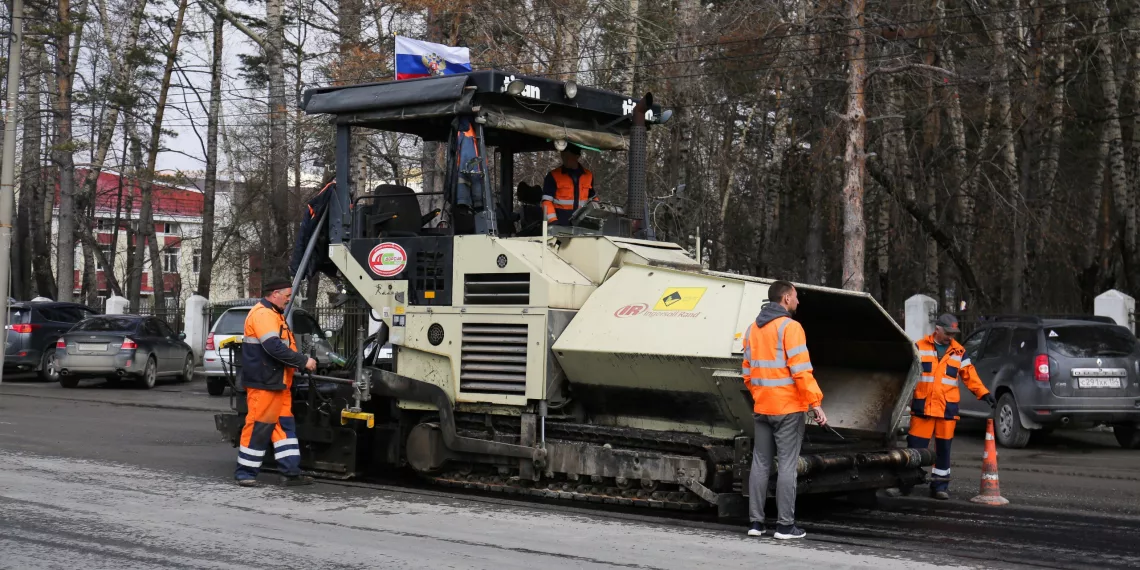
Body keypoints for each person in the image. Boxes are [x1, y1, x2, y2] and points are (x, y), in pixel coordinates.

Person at [741, 280, 826, 540]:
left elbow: (747, 372)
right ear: (786, 298)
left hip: (763, 405)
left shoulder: (751, 329)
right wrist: (815, 404)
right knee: (787, 466)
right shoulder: (791, 328)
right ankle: (785, 527)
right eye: (796, 297)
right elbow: (801, 371)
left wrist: (760, 395)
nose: (798, 302)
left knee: (760, 463)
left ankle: (756, 524)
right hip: (787, 408)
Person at [234, 277, 318, 487]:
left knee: (283, 427)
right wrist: (302, 361)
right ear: (274, 294)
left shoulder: (273, 314)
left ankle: (290, 473)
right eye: (287, 296)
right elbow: (273, 347)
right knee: (258, 426)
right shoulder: (263, 314)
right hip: (265, 383)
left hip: (277, 383)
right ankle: (245, 473)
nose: (288, 300)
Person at [908, 313, 996, 500]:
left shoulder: (959, 352)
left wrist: (984, 393)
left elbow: (970, 376)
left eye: (953, 333)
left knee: (943, 450)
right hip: (923, 407)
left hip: (946, 410)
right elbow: (907, 374)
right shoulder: (919, 347)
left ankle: (939, 486)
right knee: (914, 449)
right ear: (937, 329)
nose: (951, 337)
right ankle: (905, 483)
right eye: (947, 332)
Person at [541, 144, 597, 226]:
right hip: (560, 224)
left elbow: (593, 199)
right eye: (563, 155)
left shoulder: (588, 175)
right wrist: (553, 221)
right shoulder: (553, 175)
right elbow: (546, 202)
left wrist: (595, 217)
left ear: (577, 156)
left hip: (581, 225)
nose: (564, 159)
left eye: (568, 156)